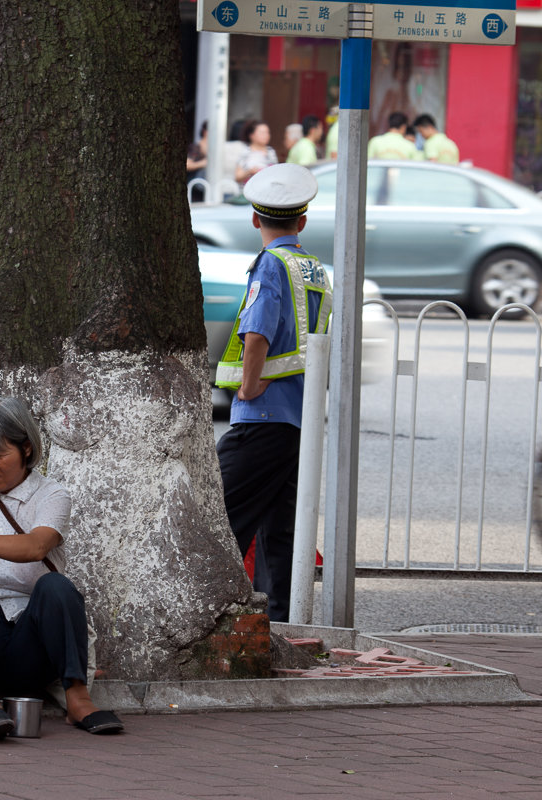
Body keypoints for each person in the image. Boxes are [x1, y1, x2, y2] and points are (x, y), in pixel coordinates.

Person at [0, 397, 125, 740]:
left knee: (56, 587)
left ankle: (78, 698)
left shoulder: (52, 495)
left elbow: (36, 546)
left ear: (26, 449)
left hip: (26, 644)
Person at [214, 164, 330, 622]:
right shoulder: (314, 269)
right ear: (302, 222)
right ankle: (277, 623)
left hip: (261, 419)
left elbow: (257, 330)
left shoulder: (269, 263)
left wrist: (247, 385)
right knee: (279, 532)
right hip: (298, 419)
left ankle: (212, 620)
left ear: (255, 220)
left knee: (219, 521)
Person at [235, 120, 278, 187]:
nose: (266, 135)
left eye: (267, 133)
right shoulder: (246, 152)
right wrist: (249, 172)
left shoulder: (271, 151)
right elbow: (237, 177)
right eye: (262, 133)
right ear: (251, 135)